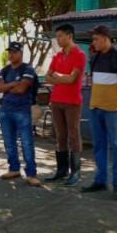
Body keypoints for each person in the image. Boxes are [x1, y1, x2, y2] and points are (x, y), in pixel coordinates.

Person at [82, 25, 117, 199]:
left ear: (105, 38)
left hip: (114, 110)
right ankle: (100, 180)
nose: (93, 42)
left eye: (96, 39)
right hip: (96, 109)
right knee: (99, 146)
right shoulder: (95, 58)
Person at [42, 24, 86, 185]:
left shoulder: (79, 55)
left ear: (69, 36)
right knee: (60, 135)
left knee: (73, 135)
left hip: (72, 102)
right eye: (57, 36)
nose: (58, 39)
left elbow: (72, 79)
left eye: (60, 36)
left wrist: (57, 76)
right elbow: (47, 77)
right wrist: (63, 78)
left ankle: (75, 172)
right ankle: (61, 170)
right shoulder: (57, 56)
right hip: (56, 101)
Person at [0, 42, 41, 186]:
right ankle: (14, 168)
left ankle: (31, 173)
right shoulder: (4, 70)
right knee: (9, 142)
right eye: (9, 52)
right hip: (6, 110)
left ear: (21, 53)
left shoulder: (28, 69)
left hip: (22, 110)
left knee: (27, 143)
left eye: (14, 52)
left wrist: (7, 87)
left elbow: (21, 89)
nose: (11, 54)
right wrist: (12, 85)